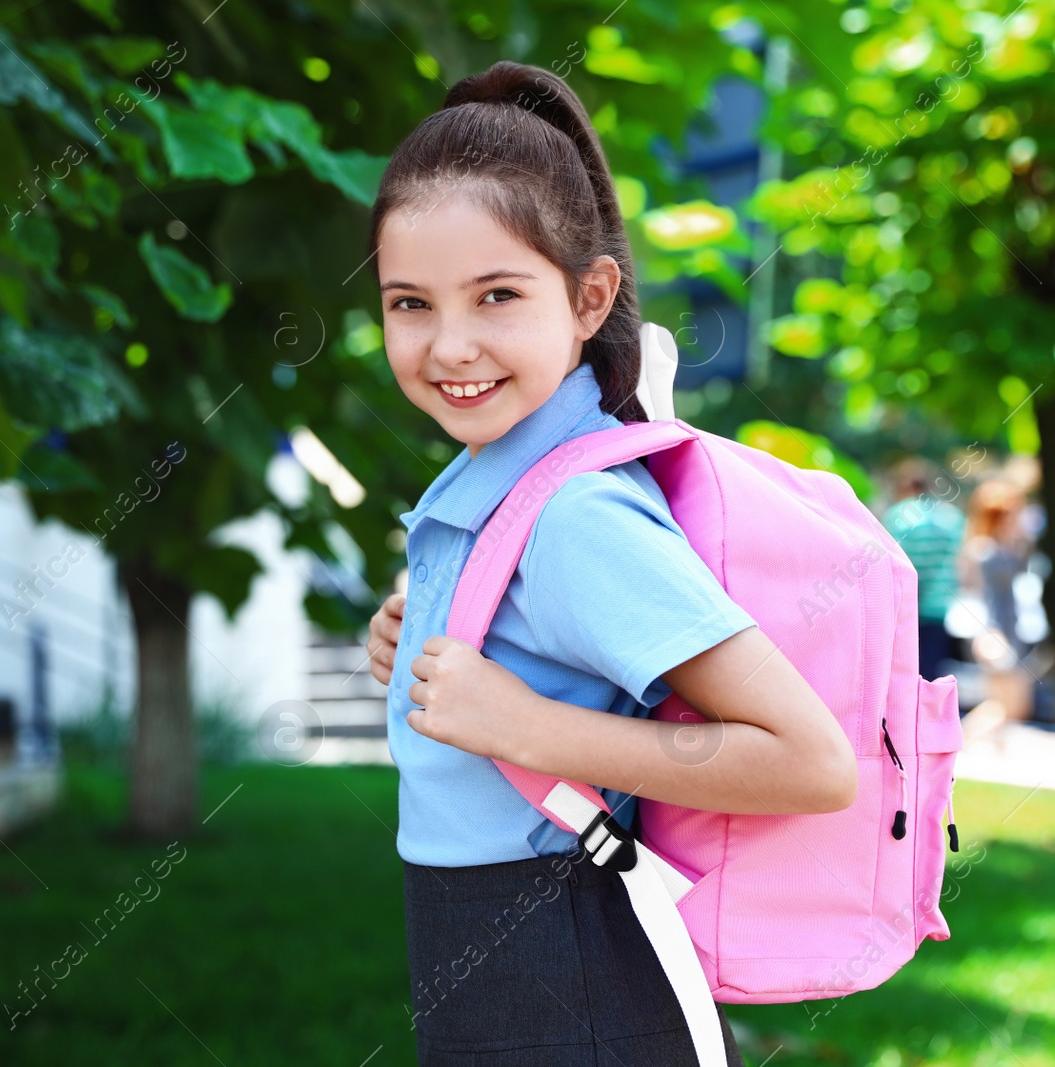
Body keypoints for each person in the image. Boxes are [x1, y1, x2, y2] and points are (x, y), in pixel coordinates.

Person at [362, 61, 857, 1066]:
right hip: (502, 981)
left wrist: (530, 725)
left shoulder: (576, 511)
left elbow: (811, 759)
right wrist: (420, 628)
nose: (448, 344)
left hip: (573, 995)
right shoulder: (500, 482)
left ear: (590, 298)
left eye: (496, 294)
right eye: (408, 303)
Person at [957, 477, 1035, 748]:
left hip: (1005, 630)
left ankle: (986, 746)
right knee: (1007, 703)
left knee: (1010, 703)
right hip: (993, 631)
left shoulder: (994, 549)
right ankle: (957, 742)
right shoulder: (985, 551)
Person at [881, 456, 965, 682]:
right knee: (933, 672)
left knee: (906, 674)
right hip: (940, 606)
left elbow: (892, 563)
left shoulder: (898, 516)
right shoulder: (951, 517)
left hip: (907, 608)